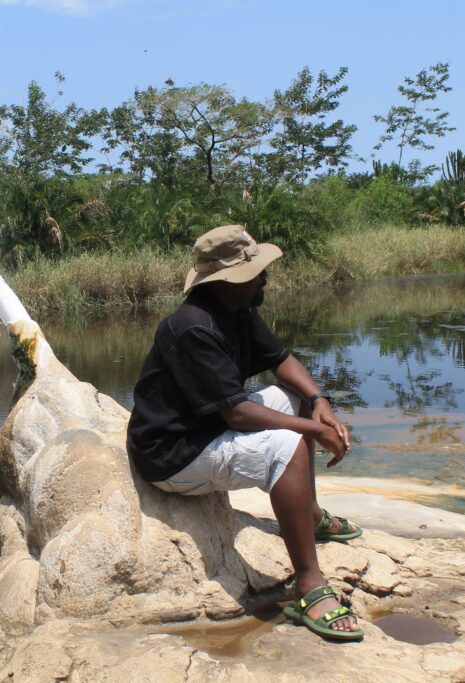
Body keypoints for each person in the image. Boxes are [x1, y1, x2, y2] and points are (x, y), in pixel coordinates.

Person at [126, 224, 365, 641]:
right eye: (256, 272)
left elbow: (282, 359)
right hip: (174, 453)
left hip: (208, 428)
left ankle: (308, 514)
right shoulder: (192, 327)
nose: (264, 278)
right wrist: (313, 429)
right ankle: (309, 585)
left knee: (296, 399)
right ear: (229, 280)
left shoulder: (238, 310)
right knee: (286, 443)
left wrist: (320, 401)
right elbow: (238, 414)